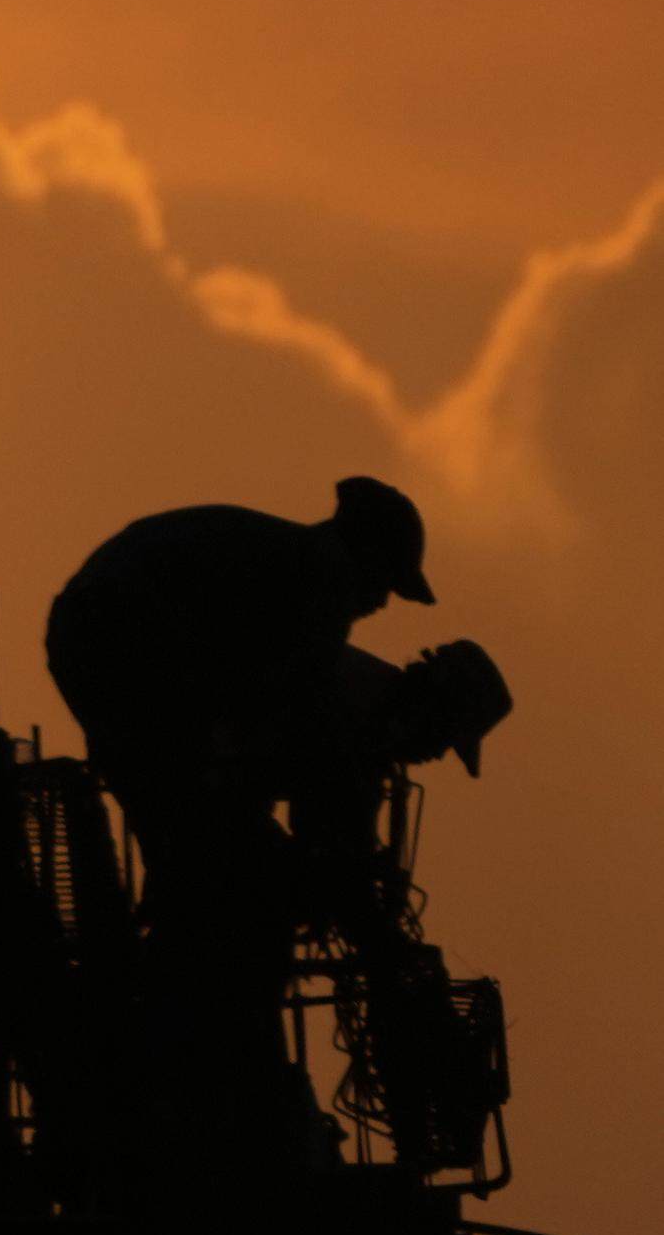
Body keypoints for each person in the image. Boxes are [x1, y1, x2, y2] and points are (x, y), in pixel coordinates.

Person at [41, 475, 440, 1168]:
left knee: (213, 860)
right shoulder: (317, 588)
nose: (380, 603)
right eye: (386, 585)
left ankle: (169, 1058)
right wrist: (349, 898)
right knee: (231, 879)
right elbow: (308, 751)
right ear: (365, 556)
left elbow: (261, 735)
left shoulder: (287, 575)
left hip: (103, 642)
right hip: (123, 641)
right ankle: (183, 1081)